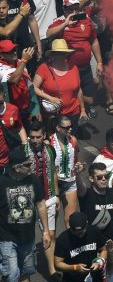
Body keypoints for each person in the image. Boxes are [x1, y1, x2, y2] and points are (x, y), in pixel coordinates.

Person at [0, 146, 51, 282]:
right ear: (17, 168)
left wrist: (45, 231)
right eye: (28, 165)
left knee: (25, 272)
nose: (31, 166)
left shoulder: (33, 179)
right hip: (7, 238)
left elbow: (40, 204)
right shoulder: (2, 182)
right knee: (11, 275)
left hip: (27, 237)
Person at [32, 39, 87, 132]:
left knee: (71, 141)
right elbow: (33, 87)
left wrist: (83, 110)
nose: (62, 55)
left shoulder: (73, 67)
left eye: (64, 53)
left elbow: (78, 90)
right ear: (53, 54)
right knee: (54, 142)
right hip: (53, 115)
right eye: (59, 53)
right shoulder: (44, 68)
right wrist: (50, 98)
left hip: (73, 113)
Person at [27, 119, 57, 277]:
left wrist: (56, 196)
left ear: (44, 135)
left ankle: (52, 270)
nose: (35, 140)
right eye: (32, 137)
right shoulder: (23, 151)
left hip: (48, 196)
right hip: (28, 200)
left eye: (38, 137)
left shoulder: (51, 150)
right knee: (27, 235)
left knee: (50, 234)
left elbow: (54, 173)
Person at [53, 211, 107, 281]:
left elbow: (104, 250)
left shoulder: (94, 231)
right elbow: (57, 264)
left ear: (87, 224)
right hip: (72, 278)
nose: (79, 234)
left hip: (94, 276)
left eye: (81, 231)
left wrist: (99, 262)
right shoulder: (63, 239)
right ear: (70, 226)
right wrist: (74, 267)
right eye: (75, 232)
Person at [49, 114, 82, 225]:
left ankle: (70, 242)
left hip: (70, 182)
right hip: (54, 185)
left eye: (70, 126)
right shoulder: (49, 142)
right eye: (66, 127)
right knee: (51, 222)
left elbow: (76, 159)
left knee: (70, 220)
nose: (70, 129)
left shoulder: (73, 140)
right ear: (58, 128)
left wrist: (79, 166)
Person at [0, 69, 27, 168]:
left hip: (9, 159)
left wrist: (25, 143)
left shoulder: (13, 109)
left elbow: (19, 127)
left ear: (4, 95)